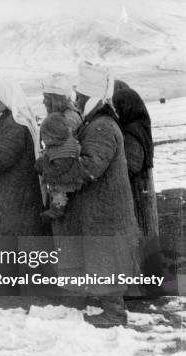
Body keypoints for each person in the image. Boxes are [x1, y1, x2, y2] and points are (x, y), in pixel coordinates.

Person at [62, 61, 140, 327]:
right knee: (105, 256)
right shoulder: (99, 123)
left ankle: (115, 313)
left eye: (81, 97)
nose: (77, 101)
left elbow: (90, 166)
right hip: (105, 207)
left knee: (107, 256)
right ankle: (111, 308)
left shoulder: (102, 127)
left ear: (91, 97)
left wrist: (62, 175)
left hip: (106, 208)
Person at [0, 78, 45, 237]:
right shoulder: (9, 119)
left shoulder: (14, 124)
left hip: (16, 192)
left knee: (15, 236)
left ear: (5, 96)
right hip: (15, 190)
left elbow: (4, 156)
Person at [112, 87, 155, 236]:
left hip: (136, 192)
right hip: (140, 190)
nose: (115, 113)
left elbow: (132, 166)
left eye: (117, 107)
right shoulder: (139, 127)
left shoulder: (132, 132)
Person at [35, 114, 85, 220]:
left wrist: (47, 169)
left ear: (53, 136)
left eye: (44, 137)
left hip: (65, 181)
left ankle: (57, 211)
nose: (43, 140)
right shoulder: (61, 144)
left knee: (59, 195)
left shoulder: (65, 151)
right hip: (65, 178)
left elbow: (60, 168)